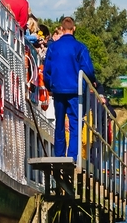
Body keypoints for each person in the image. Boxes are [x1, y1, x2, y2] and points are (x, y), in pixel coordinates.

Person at [44, 17, 97, 161]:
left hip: (58, 90)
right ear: (74, 29)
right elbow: (88, 70)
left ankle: (59, 155)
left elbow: (47, 71)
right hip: (75, 91)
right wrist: (93, 81)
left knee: (59, 123)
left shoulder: (53, 47)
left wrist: (50, 87)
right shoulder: (80, 47)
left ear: (61, 29)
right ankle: (72, 156)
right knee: (75, 124)